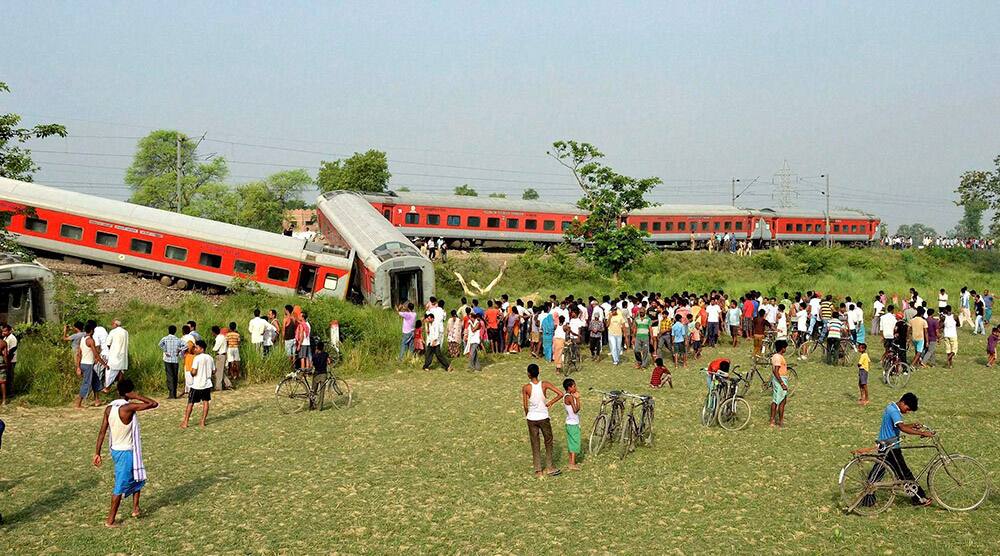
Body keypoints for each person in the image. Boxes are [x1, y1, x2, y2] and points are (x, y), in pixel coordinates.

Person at [93, 378, 158, 527]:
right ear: (129, 392)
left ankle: (136, 508)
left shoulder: (109, 408)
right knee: (120, 486)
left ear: (118, 391)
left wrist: (97, 452)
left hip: (115, 450)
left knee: (137, 479)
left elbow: (102, 431)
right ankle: (110, 520)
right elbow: (153, 404)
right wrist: (136, 396)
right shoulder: (128, 408)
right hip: (126, 452)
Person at [870, 393, 934, 507]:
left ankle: (867, 498)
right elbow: (902, 427)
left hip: (884, 445)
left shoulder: (891, 407)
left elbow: (899, 425)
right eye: (907, 409)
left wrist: (912, 425)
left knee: (877, 473)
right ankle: (919, 498)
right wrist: (923, 433)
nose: (907, 411)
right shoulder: (894, 412)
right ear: (903, 402)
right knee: (905, 474)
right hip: (891, 448)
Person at [521, 364, 563, 477]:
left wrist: (528, 415)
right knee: (548, 441)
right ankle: (549, 467)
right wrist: (550, 403)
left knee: (535, 443)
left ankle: (538, 470)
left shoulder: (526, 388)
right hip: (543, 417)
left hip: (531, 418)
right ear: (538, 372)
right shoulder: (544, 384)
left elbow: (525, 405)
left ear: (528, 374)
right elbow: (560, 394)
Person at [181, 340, 213, 429]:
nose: (195, 349)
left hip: (197, 384)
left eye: (196, 347)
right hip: (207, 384)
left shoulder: (197, 358)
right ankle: (203, 421)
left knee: (190, 403)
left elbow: (194, 372)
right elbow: (214, 370)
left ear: (201, 349)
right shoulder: (210, 358)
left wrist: (191, 373)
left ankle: (186, 422)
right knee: (206, 402)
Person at [75, 323, 105, 408]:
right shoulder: (90, 340)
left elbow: (79, 354)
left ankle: (97, 400)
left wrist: (78, 367)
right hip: (88, 365)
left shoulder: (82, 339)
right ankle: (78, 403)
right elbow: (96, 355)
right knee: (86, 383)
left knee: (96, 381)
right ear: (92, 331)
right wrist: (104, 364)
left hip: (83, 364)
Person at [157, 325, 182, 399]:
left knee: (169, 376)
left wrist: (165, 350)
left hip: (167, 359)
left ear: (168, 330)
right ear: (175, 331)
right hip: (175, 360)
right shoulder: (178, 339)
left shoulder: (165, 338)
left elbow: (160, 344)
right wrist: (179, 349)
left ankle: (171, 394)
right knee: (175, 376)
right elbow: (186, 345)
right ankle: (174, 393)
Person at [104, 319, 129, 391]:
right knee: (121, 371)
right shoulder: (125, 332)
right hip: (123, 354)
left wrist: (111, 350)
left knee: (110, 371)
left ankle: (107, 387)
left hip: (114, 355)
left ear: (115, 324)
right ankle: (120, 389)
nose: (112, 326)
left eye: (112, 324)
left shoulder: (113, 332)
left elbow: (108, 343)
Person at [563, 377, 581, 471]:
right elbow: (576, 410)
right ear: (569, 388)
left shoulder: (566, 396)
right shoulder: (570, 397)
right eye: (574, 386)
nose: (575, 387)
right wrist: (577, 399)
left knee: (571, 442)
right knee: (575, 443)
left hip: (569, 422)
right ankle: (573, 463)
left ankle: (571, 461)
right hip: (573, 423)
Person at [770, 340, 789, 428]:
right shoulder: (778, 357)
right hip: (780, 379)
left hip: (781, 379)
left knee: (779, 399)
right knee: (781, 400)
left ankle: (774, 420)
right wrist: (782, 383)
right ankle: (777, 420)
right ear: (782, 348)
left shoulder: (777, 356)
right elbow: (776, 371)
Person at [311, 342, 332, 409]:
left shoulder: (314, 356)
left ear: (317, 348)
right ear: (323, 348)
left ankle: (311, 405)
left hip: (316, 374)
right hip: (323, 374)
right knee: (322, 392)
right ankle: (320, 407)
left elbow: (312, 364)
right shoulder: (326, 354)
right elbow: (329, 361)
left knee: (313, 390)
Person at [211, 326, 229, 391]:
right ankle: (228, 384)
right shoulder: (222, 337)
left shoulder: (219, 338)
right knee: (221, 371)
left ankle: (218, 387)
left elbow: (216, 348)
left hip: (220, 355)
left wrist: (211, 351)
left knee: (218, 372)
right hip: (223, 355)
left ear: (213, 332)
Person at [0, 325, 16, 396]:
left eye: (5, 331)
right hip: (5, 360)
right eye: (3, 331)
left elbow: (11, 351)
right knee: (5, 378)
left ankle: (11, 393)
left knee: (10, 377)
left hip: (11, 360)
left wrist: (6, 362)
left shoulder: (12, 338)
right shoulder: (5, 338)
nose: (3, 332)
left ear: (10, 331)